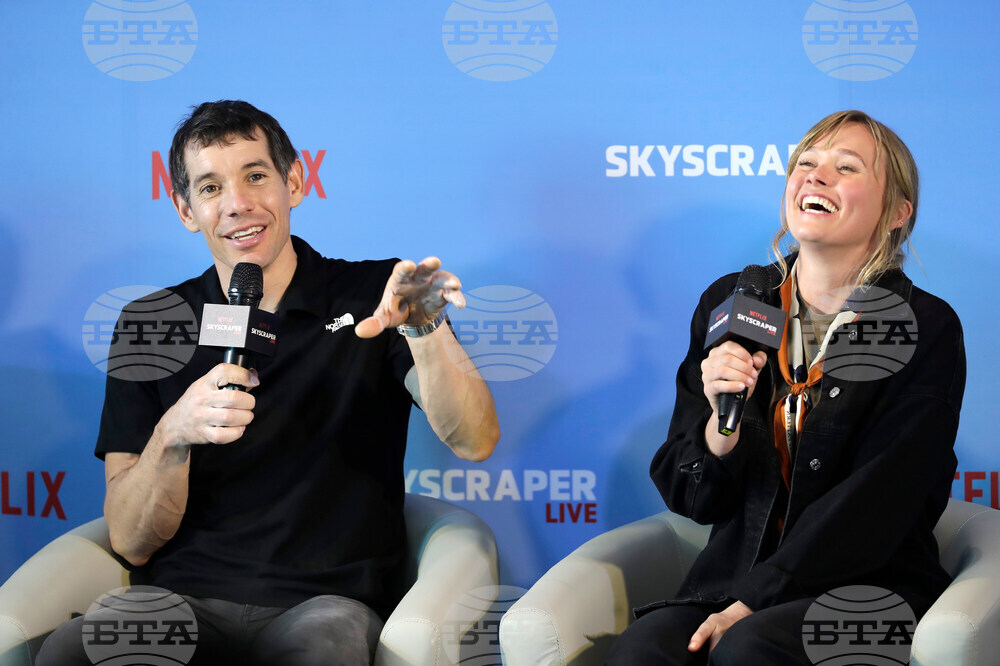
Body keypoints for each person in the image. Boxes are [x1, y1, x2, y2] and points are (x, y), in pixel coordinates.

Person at [38, 100, 500, 665]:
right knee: (69, 652)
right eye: (210, 189)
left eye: (256, 176)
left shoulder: (375, 294)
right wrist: (174, 433)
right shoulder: (150, 323)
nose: (237, 205)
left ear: (295, 182)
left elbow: (475, 441)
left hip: (327, 604)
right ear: (186, 210)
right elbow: (131, 540)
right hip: (183, 602)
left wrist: (427, 327)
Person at [606, 110, 965, 665]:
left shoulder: (923, 326)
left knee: (749, 648)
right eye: (806, 163)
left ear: (897, 213)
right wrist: (719, 431)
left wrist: (753, 600)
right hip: (733, 577)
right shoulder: (735, 302)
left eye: (845, 168)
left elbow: (880, 501)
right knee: (643, 651)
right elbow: (690, 496)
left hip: (872, 594)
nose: (815, 177)